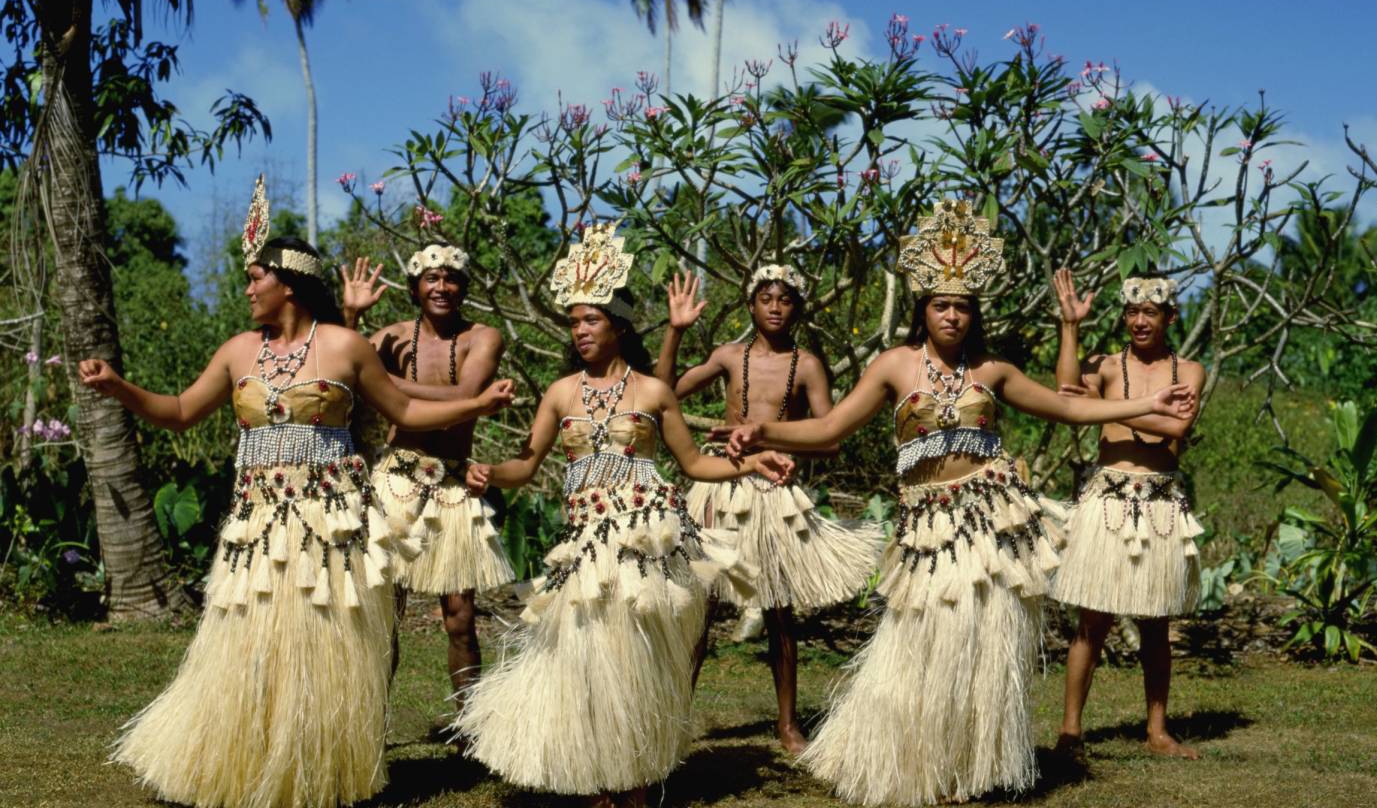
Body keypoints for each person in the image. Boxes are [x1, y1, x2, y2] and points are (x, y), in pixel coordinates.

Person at [726, 200, 1197, 806]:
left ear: (975, 313)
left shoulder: (992, 371)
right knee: (923, 648)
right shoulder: (895, 366)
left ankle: (967, 769)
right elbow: (830, 428)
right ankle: (914, 764)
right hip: (927, 528)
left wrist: (1145, 406)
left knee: (978, 647)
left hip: (989, 521)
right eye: (941, 305)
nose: (952, 316)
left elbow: (1068, 406)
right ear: (923, 308)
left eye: (963, 306)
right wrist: (762, 431)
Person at [82, 177, 514, 808]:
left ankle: (319, 771)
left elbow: (405, 411)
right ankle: (247, 768)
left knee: (325, 648)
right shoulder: (238, 351)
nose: (248, 289)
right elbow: (178, 412)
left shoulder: (343, 347)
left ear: (287, 283)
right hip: (258, 528)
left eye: (255, 278)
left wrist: (476, 404)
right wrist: (119, 387)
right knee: (252, 646)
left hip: (330, 523)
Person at [451, 223, 792, 808]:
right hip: (586, 545)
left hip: (645, 542)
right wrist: (489, 472)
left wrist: (751, 462)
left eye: (591, 320)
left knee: (636, 656)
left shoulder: (653, 393)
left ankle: (635, 774)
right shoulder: (561, 393)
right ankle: (593, 775)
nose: (580, 331)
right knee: (588, 656)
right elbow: (526, 464)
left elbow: (693, 463)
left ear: (620, 326)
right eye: (574, 322)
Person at [656, 265, 882, 754]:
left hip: (775, 492)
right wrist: (675, 333)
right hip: (721, 487)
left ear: (798, 308)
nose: (776, 307)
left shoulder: (809, 366)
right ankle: (675, 716)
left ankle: (787, 724)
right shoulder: (727, 356)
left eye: (785, 299)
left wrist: (777, 443)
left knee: (779, 610)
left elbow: (831, 439)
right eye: (766, 298)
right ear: (751, 305)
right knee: (701, 604)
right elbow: (661, 393)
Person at [1048, 268, 1208, 760]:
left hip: (1160, 503)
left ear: (1170, 317)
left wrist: (1106, 406)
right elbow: (1065, 393)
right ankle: (1070, 732)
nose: (1140, 321)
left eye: (1150, 312)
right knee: (1092, 622)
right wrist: (1070, 326)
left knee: (1156, 622)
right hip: (1109, 500)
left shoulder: (1189, 371)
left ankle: (1157, 731)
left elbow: (1177, 427)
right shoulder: (1105, 364)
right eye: (1133, 312)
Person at [340, 247, 513, 700]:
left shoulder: (483, 338)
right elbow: (342, 375)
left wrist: (381, 381)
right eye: (431, 278)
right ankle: (372, 722)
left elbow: (465, 396)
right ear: (415, 287)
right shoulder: (391, 337)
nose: (441, 287)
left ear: (464, 288)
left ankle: (468, 724)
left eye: (451, 278)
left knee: (460, 618)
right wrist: (352, 317)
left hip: (454, 483)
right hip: (397, 479)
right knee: (383, 614)